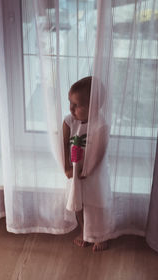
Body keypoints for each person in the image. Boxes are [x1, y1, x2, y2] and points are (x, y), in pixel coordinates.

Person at [63, 76, 111, 252]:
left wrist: (86, 170)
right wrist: (67, 168)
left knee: (94, 205)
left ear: (94, 107)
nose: (71, 108)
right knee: (78, 204)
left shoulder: (100, 125)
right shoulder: (69, 121)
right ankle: (84, 231)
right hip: (74, 172)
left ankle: (98, 234)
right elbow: (63, 146)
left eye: (77, 105)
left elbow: (98, 154)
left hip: (92, 173)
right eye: (70, 102)